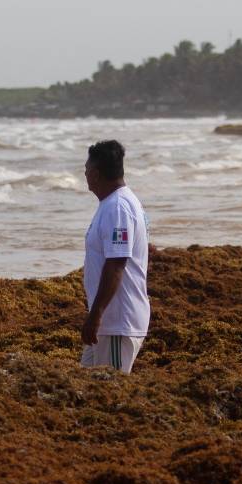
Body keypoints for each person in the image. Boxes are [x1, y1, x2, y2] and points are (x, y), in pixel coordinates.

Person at [80, 140, 150, 374]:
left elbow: (116, 264)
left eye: (87, 170)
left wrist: (96, 315)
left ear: (97, 175)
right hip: (107, 325)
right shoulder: (111, 204)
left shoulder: (118, 207)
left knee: (110, 394)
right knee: (85, 388)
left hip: (117, 324)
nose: (85, 175)